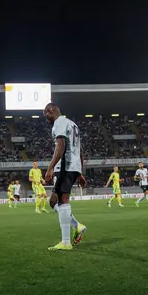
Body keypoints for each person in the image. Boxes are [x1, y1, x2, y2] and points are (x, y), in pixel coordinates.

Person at [43, 103, 87, 251]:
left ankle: (66, 242)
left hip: (65, 166)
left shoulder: (59, 122)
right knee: (53, 201)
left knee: (62, 200)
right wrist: (80, 172)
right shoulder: (73, 124)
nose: (46, 119)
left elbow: (60, 146)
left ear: (52, 110)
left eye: (46, 115)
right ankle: (77, 226)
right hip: (74, 166)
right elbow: (80, 150)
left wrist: (50, 168)